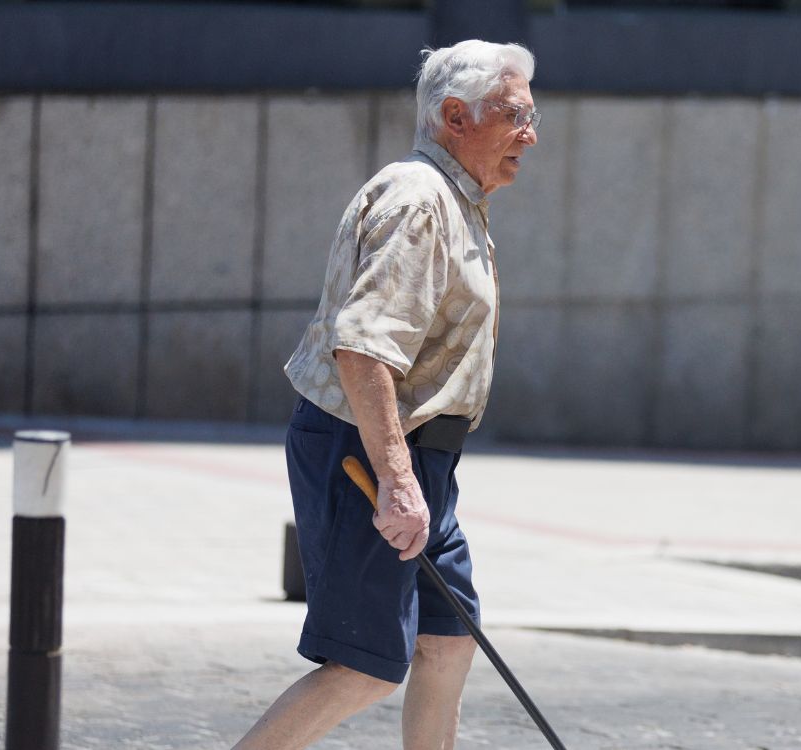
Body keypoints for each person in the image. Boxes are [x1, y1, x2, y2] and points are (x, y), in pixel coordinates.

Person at [232, 39, 539, 750]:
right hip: (365, 449)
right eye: (515, 115)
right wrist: (396, 483)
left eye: (533, 114)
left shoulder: (457, 197)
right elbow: (362, 347)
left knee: (449, 638)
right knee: (365, 666)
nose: (531, 133)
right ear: (455, 117)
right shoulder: (420, 201)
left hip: (418, 454)